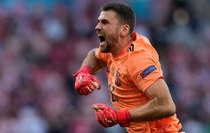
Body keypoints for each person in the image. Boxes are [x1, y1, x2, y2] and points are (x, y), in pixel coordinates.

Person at [74, 2, 183, 133]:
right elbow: (94, 55)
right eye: (99, 22)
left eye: (105, 23)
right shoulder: (114, 49)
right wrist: (84, 72)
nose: (97, 27)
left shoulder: (138, 61)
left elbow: (166, 105)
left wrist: (118, 116)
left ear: (124, 30)